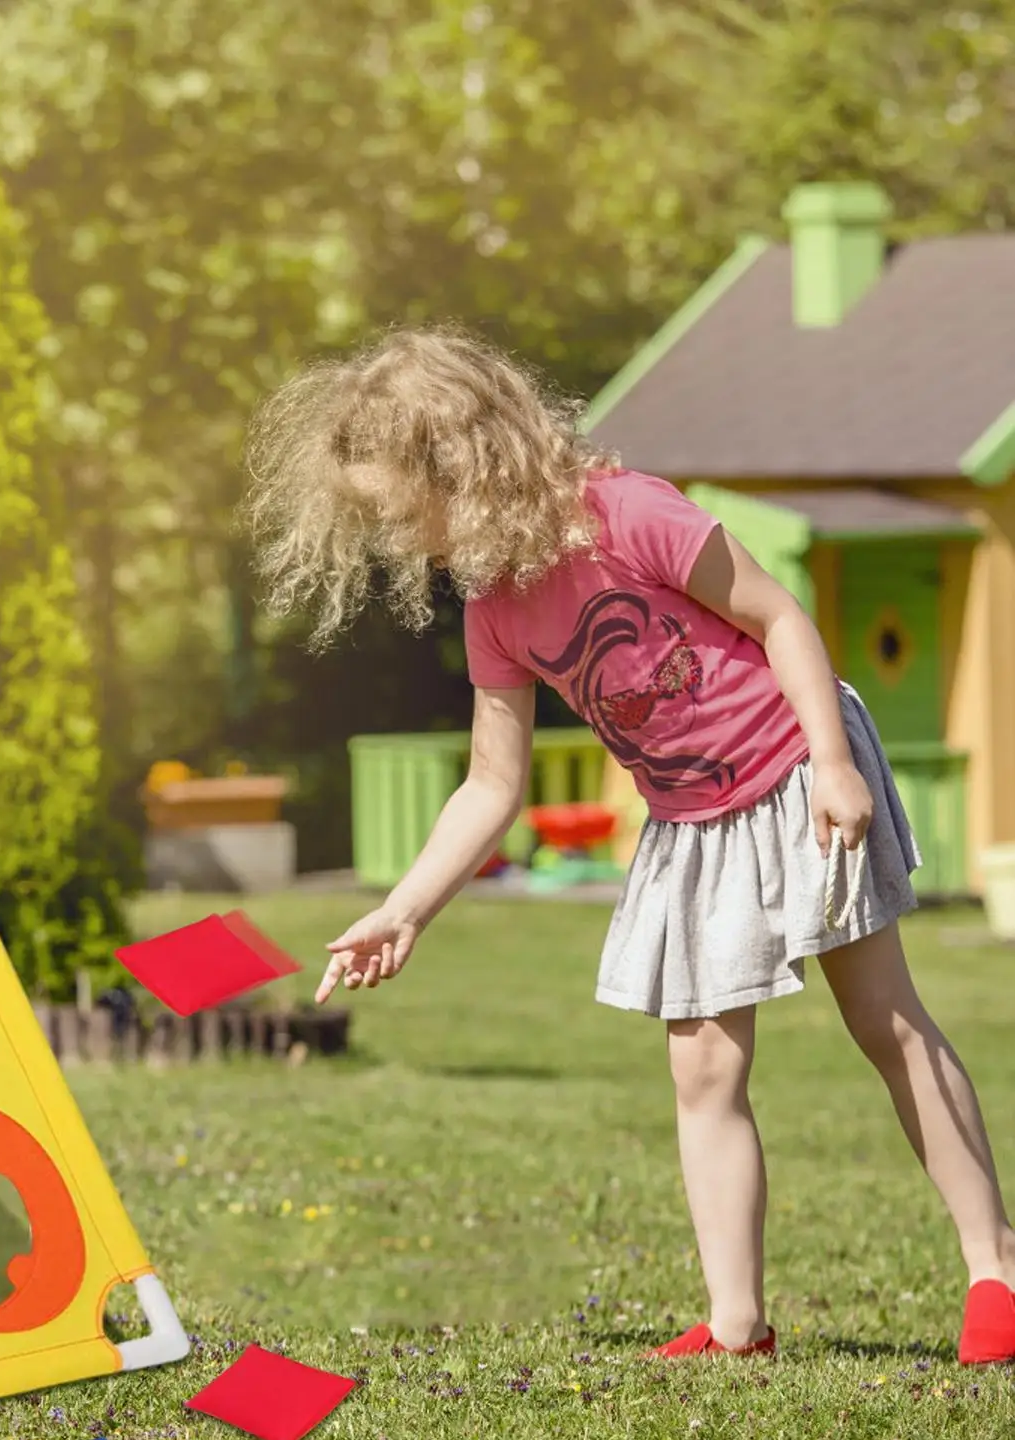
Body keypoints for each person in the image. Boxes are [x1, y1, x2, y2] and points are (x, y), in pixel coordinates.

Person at [242, 323, 1015, 1364]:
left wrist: (833, 764)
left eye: (396, 508)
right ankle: (736, 1321)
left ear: (458, 461)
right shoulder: (491, 607)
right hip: (692, 819)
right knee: (699, 1067)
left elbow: (779, 617)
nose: (394, 537)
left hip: (793, 765)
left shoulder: (625, 512)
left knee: (881, 1019)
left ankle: (992, 1265)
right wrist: (401, 907)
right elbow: (491, 781)